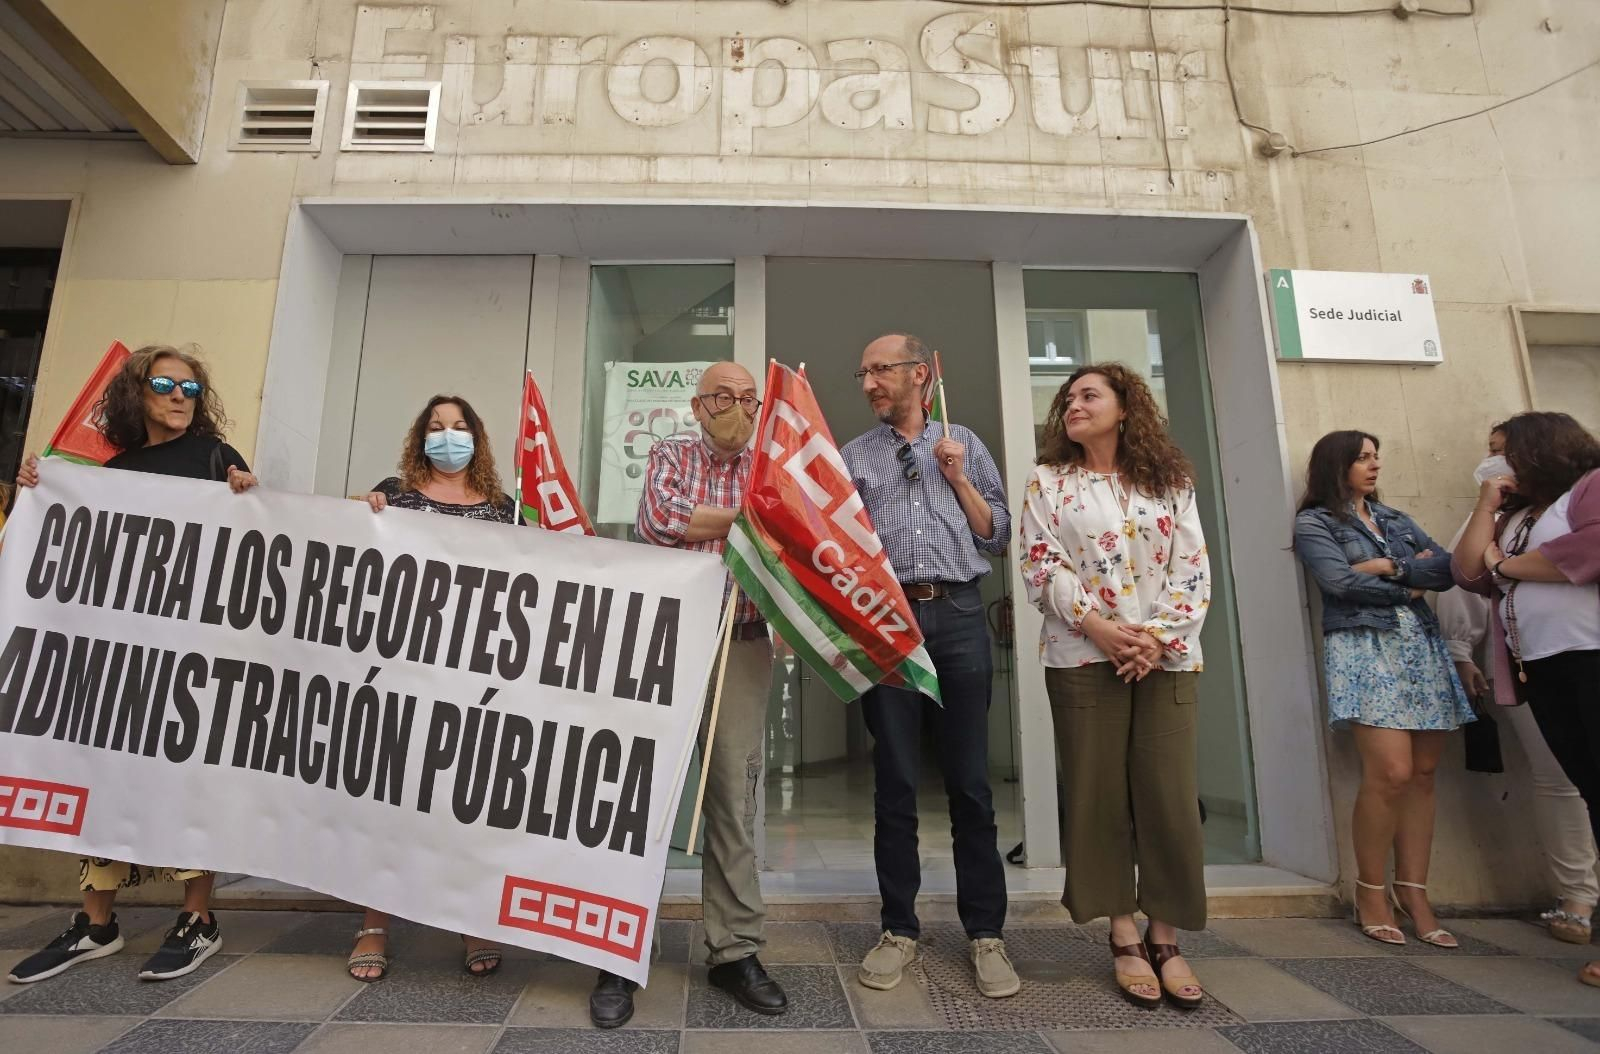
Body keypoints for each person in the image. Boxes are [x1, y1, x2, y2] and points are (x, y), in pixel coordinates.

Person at [7, 344, 258, 985]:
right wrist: (41, 489)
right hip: (117, 659)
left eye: (191, 388)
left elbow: (251, 542)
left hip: (191, 655)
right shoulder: (106, 469)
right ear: (136, 393)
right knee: (103, 773)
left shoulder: (216, 458)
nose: (179, 396)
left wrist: (248, 495)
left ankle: (197, 920)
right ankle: (96, 924)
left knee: (184, 780)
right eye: (165, 384)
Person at [587, 360, 788, 1028]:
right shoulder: (671, 453)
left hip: (744, 643)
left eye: (746, 398)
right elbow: (661, 521)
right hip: (667, 646)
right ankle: (617, 950)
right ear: (698, 406)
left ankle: (734, 951)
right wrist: (751, 522)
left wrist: (734, 522)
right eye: (721, 396)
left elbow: (789, 542)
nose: (735, 406)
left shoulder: (772, 469)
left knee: (733, 796)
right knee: (641, 797)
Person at [1018, 364, 1210, 1009]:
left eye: (1089, 395)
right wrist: (1097, 626)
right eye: (1068, 398)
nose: (1074, 404)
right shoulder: (1049, 482)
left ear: (1126, 408)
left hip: (1166, 658)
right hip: (1082, 655)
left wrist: (1154, 637)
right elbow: (1041, 562)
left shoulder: (1172, 483)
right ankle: (1123, 934)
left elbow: (1193, 568)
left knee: (1168, 797)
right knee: (1097, 794)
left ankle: (1167, 934)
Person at [840, 333, 1019, 1000]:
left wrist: (959, 476)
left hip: (962, 619)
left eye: (880, 370)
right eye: (863, 373)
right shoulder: (853, 457)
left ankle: (986, 934)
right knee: (894, 784)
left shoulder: (962, 441)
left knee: (970, 784)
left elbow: (997, 535)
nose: (868, 384)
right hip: (887, 623)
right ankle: (898, 930)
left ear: (921, 374)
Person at [345, 394, 515, 982]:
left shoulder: (501, 507)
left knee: (467, 800)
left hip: (474, 676)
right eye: (438, 428)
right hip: (403, 669)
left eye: (460, 427)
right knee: (393, 794)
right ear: (421, 439)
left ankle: (470, 916)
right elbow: (356, 552)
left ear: (477, 437)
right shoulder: (394, 495)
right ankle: (374, 922)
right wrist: (361, 513)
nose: (449, 437)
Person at [1293, 430, 1472, 951]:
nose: (1374, 465)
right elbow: (1340, 583)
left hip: (1421, 645)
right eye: (1362, 458)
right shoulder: (1315, 522)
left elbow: (1449, 568)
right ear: (1336, 464)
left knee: (1422, 774)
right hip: (1365, 645)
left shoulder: (1393, 518)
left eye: (1376, 457)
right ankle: (1370, 892)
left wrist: (1392, 566)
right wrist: (1412, 580)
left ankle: (1414, 893)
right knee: (1389, 773)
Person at [1451, 411, 1600, 986]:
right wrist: (1487, 508)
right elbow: (1466, 571)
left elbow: (1589, 550)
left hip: (1588, 655)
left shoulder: (1587, 489)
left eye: (1501, 452)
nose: (1492, 462)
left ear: (1539, 449)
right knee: (1590, 785)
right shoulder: (1515, 515)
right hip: (1541, 666)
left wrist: (1507, 565)